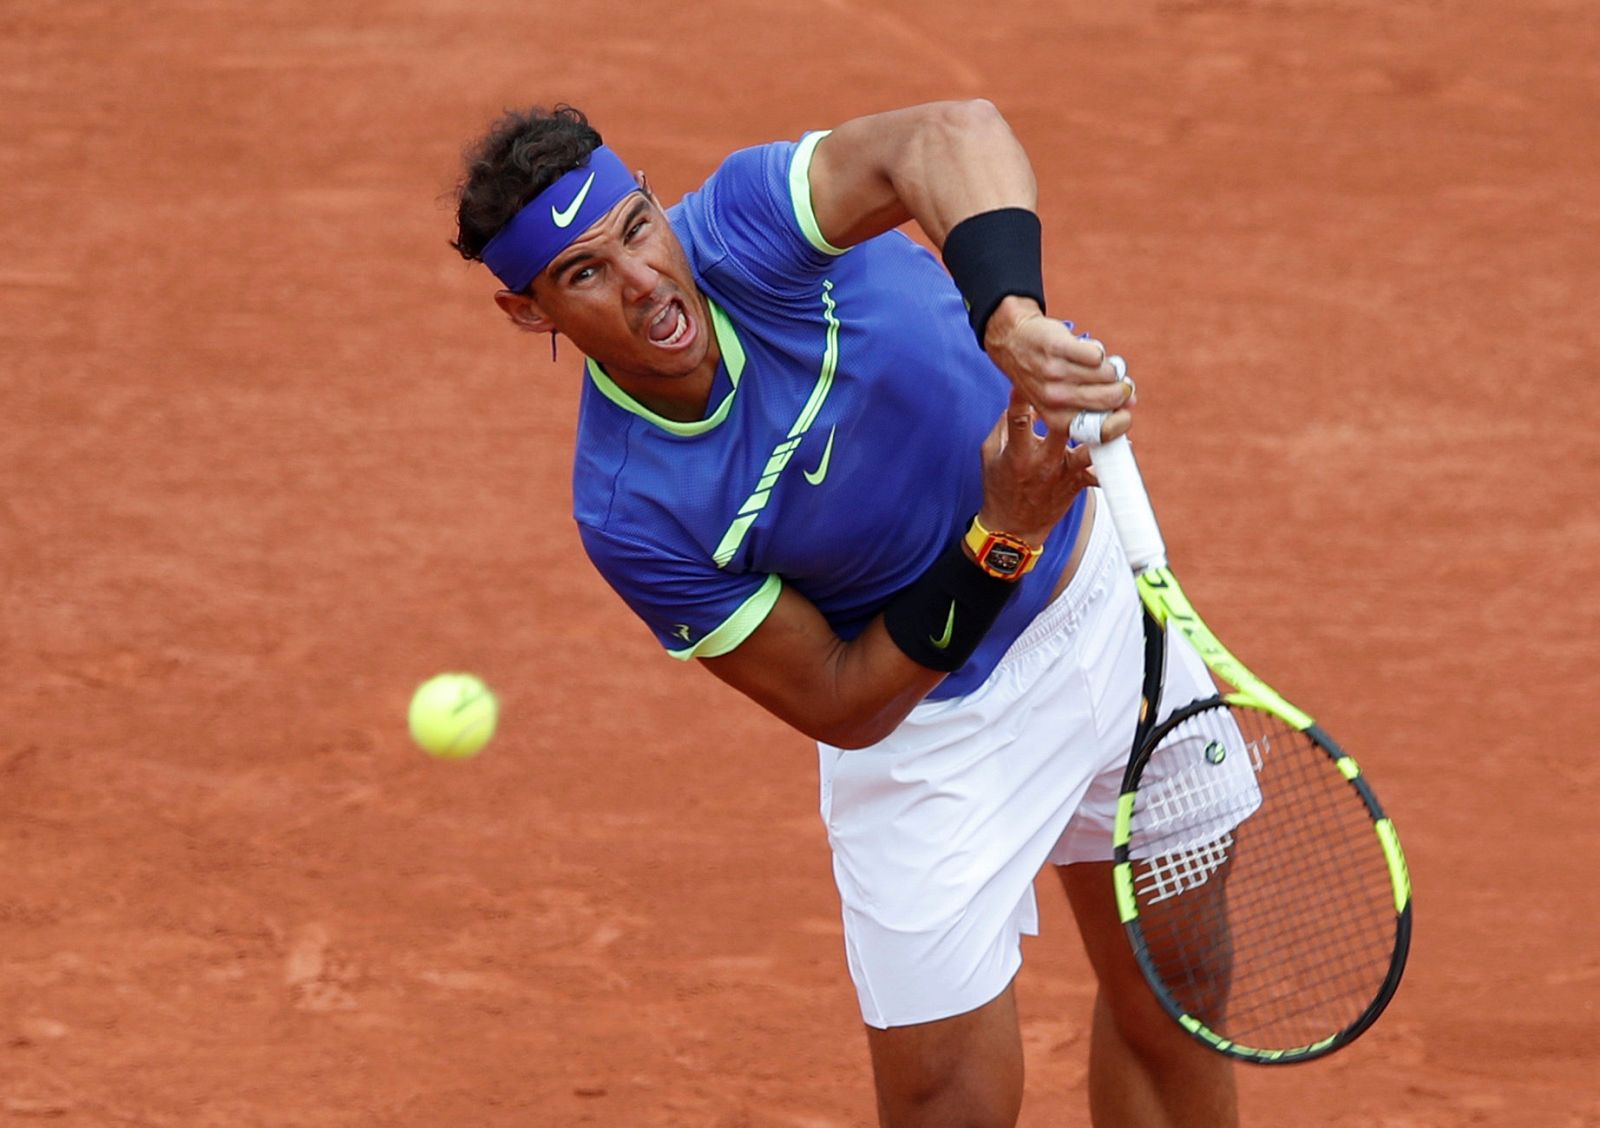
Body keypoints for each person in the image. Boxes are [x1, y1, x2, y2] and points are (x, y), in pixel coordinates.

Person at [450, 99, 1236, 1128]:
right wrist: (999, 535)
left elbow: (949, 135)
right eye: (585, 274)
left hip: (1098, 607)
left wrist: (1010, 318)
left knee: (1179, 992)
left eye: (637, 227)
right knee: (941, 1105)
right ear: (530, 312)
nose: (643, 280)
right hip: (932, 737)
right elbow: (840, 698)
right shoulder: (630, 509)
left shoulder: (743, 226)